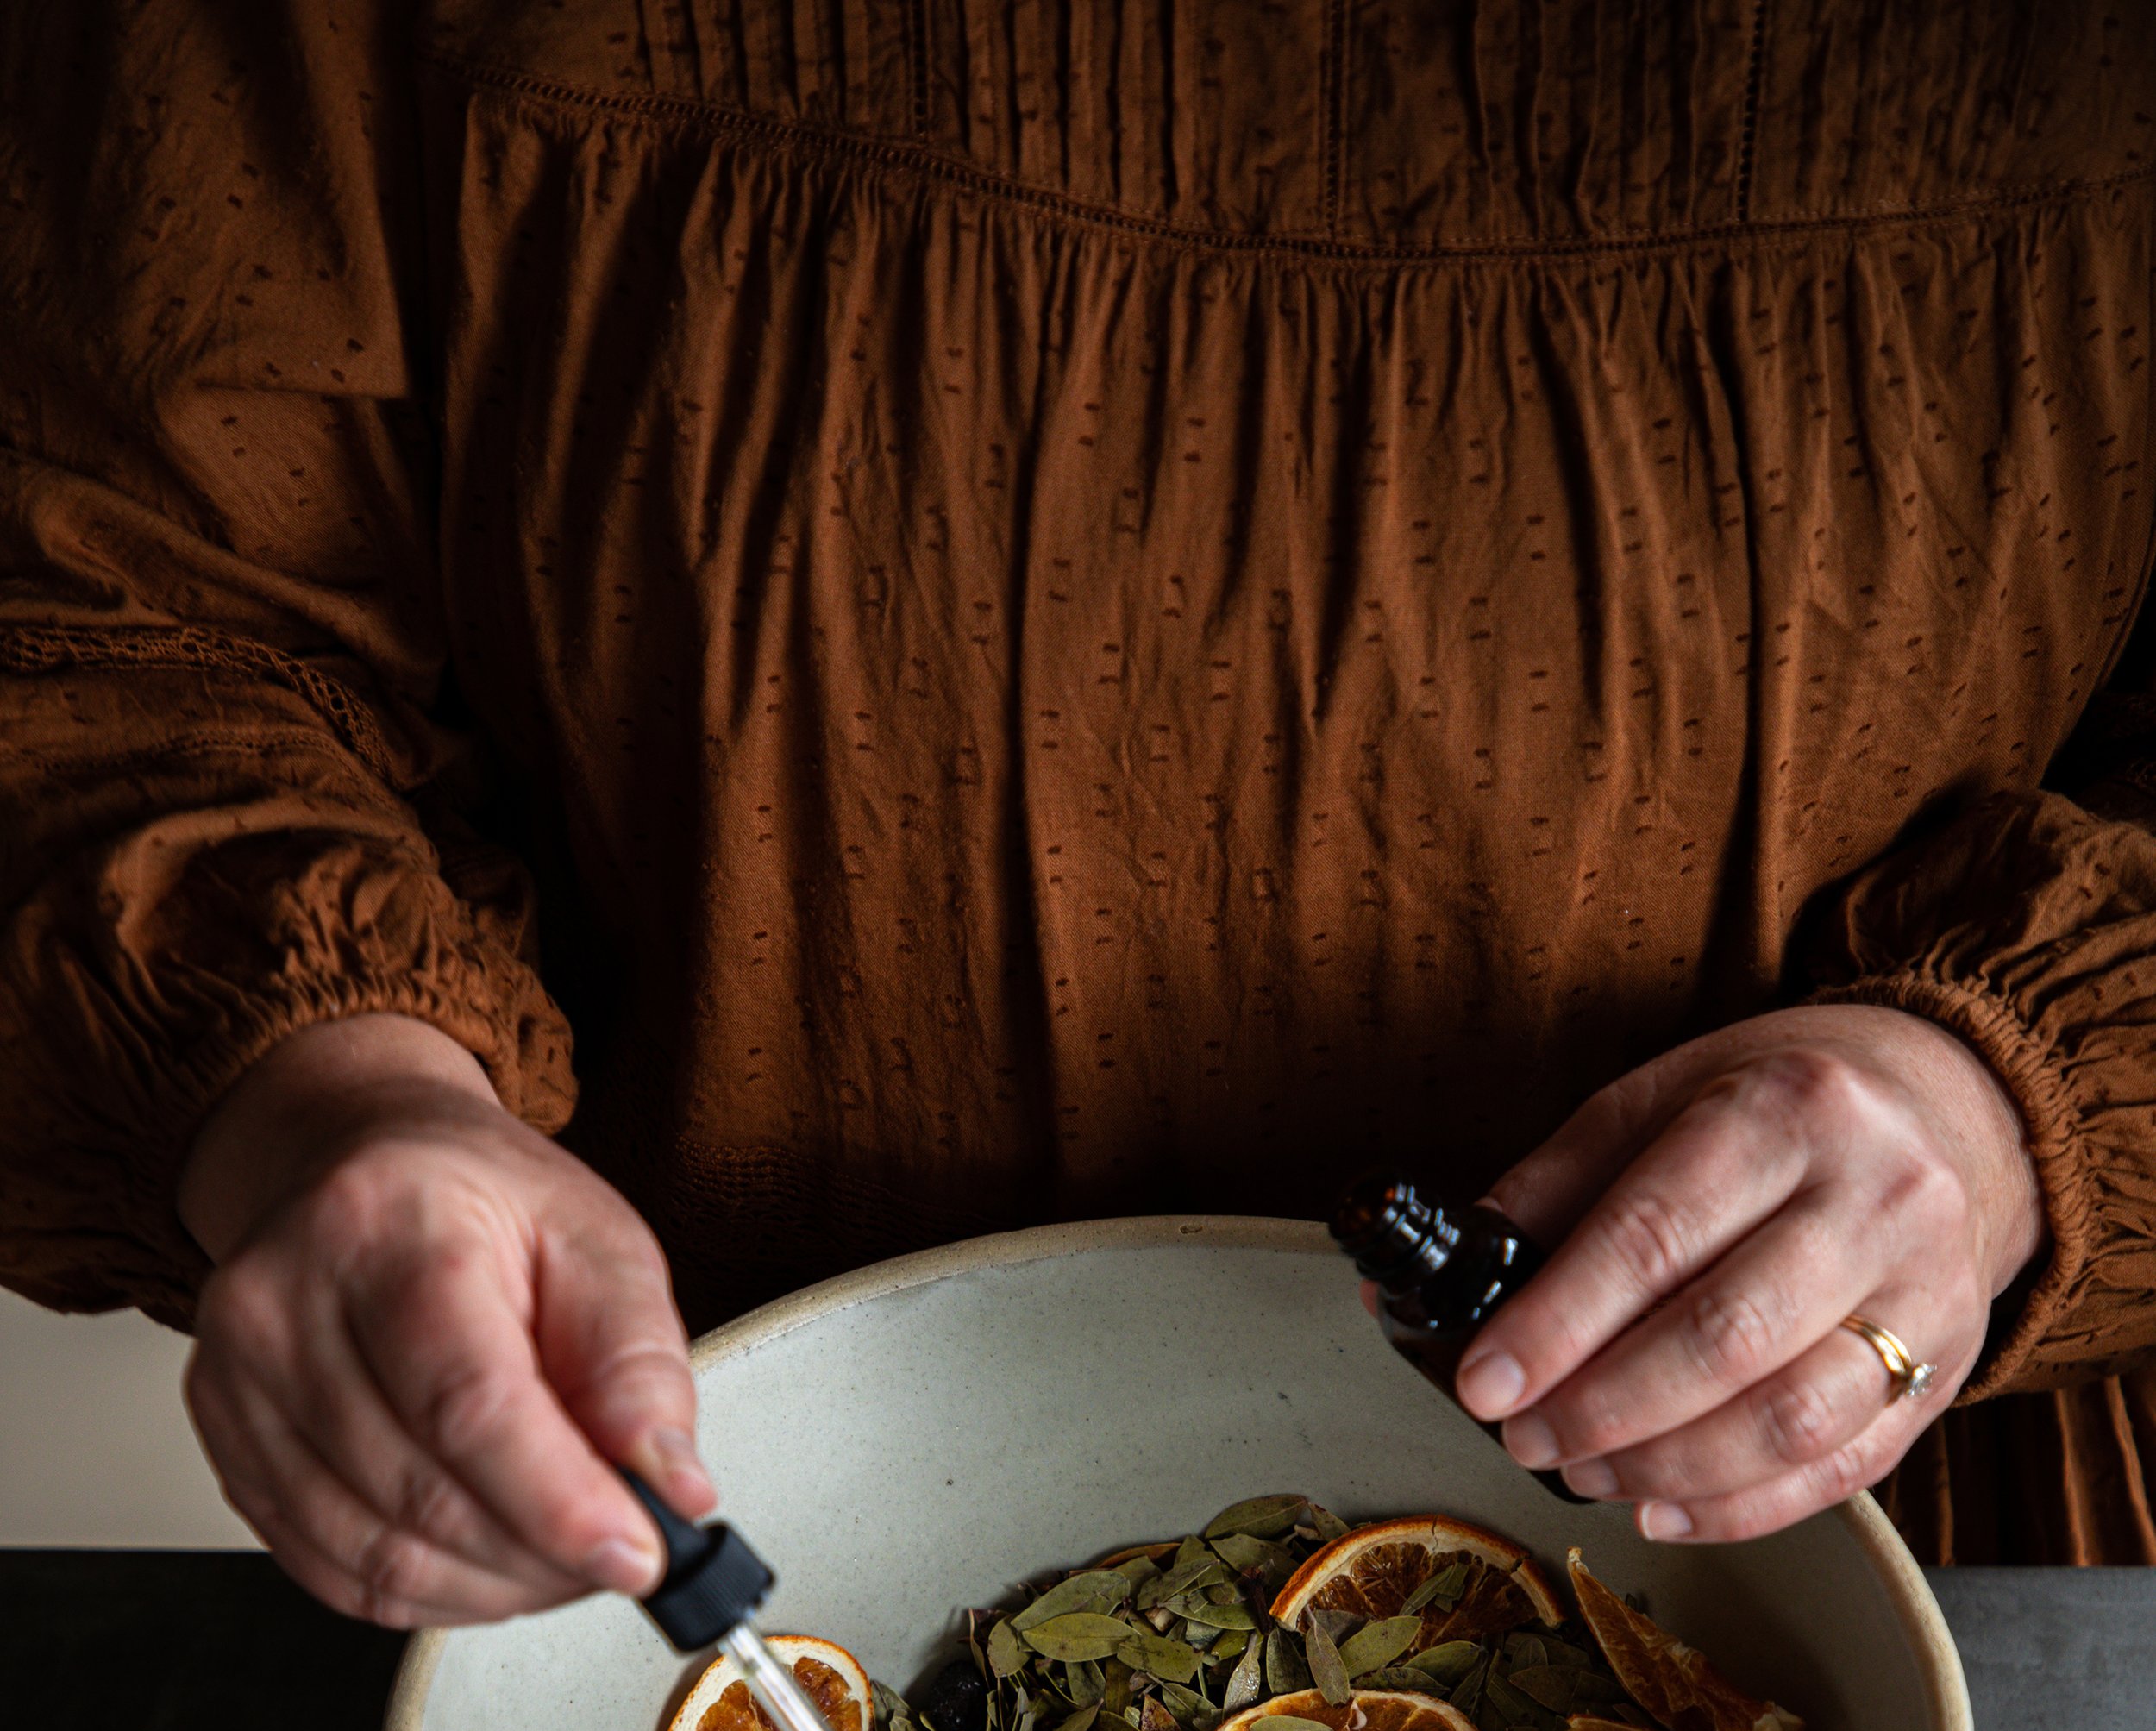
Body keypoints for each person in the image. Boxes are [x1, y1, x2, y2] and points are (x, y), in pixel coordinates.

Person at [3, 1, 2153, 1617]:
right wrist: (329, 1106)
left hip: (1881, 1547)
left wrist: (2000, 1111)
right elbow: (105, 613)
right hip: (710, 1520)